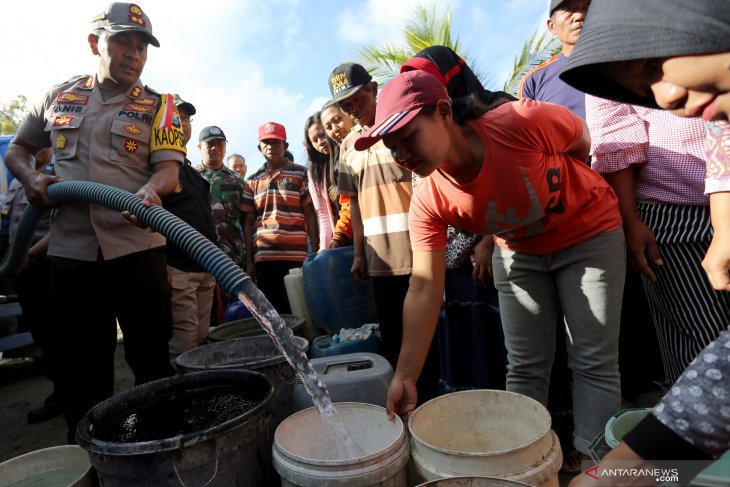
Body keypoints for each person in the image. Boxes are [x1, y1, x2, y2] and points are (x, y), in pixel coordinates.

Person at [365, 71, 625, 460]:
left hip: (588, 232)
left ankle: (597, 466)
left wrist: (555, 195)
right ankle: (522, 460)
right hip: (518, 250)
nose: (403, 155)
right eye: (393, 148)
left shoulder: (520, 122)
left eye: (409, 138)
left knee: (592, 360)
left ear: (442, 112)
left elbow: (580, 141)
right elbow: (423, 287)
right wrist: (405, 375)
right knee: (523, 366)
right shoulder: (430, 199)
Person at [4, 3, 183, 443]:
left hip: (138, 251)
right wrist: (31, 179)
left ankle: (155, 449)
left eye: (142, 45)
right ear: (94, 43)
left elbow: (169, 172)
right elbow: (18, 151)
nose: (134, 52)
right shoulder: (58, 96)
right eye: (123, 40)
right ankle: (90, 453)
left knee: (151, 363)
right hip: (71, 255)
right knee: (81, 370)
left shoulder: (162, 108)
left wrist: (151, 190)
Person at [559, 0, 730, 293]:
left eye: (653, 65)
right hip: (670, 210)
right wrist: (630, 220)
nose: (663, 99)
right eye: (642, 92)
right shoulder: (717, 116)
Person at [588, 97, 730, 384]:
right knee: (702, 345)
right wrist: (629, 220)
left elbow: (721, 126)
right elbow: (615, 137)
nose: (667, 93)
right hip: (671, 211)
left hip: (717, 198)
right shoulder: (603, 65)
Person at [400, 45, 511, 396]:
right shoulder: (417, 138)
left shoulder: (502, 114)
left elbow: (513, 184)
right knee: (466, 344)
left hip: (495, 253)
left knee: (508, 347)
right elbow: (427, 202)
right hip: (448, 262)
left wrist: (490, 239)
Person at [327, 62, 440, 403]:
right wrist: (359, 253)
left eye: (357, 100)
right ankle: (405, 409)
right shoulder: (349, 145)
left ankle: (433, 408)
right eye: (346, 106)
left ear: (374, 89)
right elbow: (355, 203)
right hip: (379, 261)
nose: (353, 110)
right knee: (393, 341)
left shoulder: (404, 126)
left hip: (418, 252)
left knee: (429, 341)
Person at [4, 148, 61, 423]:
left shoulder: (56, 175)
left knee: (58, 334)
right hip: (22, 269)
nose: (36, 148)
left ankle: (68, 393)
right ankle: (60, 390)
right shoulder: (19, 179)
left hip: (46, 265)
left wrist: (30, 254)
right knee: (40, 333)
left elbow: (62, 226)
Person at [242, 122, 318, 313]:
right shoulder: (251, 181)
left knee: (302, 307)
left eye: (276, 142)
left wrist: (316, 250)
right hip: (265, 256)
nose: (270, 146)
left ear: (285, 146)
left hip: (296, 255)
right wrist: (250, 262)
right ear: (260, 148)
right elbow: (248, 223)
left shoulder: (301, 173)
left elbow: (309, 212)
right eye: (266, 143)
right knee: (275, 312)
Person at [162, 96, 217, 361]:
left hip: (205, 269)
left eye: (186, 119)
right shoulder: (159, 168)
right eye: (176, 118)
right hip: (178, 269)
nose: (182, 124)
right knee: (185, 346)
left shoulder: (192, 173)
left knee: (201, 340)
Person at [517, 0, 590, 119]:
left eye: (586, 7)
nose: (580, 15)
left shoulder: (620, 60)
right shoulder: (534, 81)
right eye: (569, 10)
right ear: (552, 27)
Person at [319, 102, 354, 248]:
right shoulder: (341, 160)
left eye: (337, 119)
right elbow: (350, 203)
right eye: (328, 127)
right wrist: (339, 236)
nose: (335, 129)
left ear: (348, 113)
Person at [304, 112, 337, 250]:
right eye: (314, 140)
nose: (320, 142)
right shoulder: (315, 172)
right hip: (340, 241)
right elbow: (322, 214)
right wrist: (323, 249)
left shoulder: (348, 155)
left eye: (322, 135)